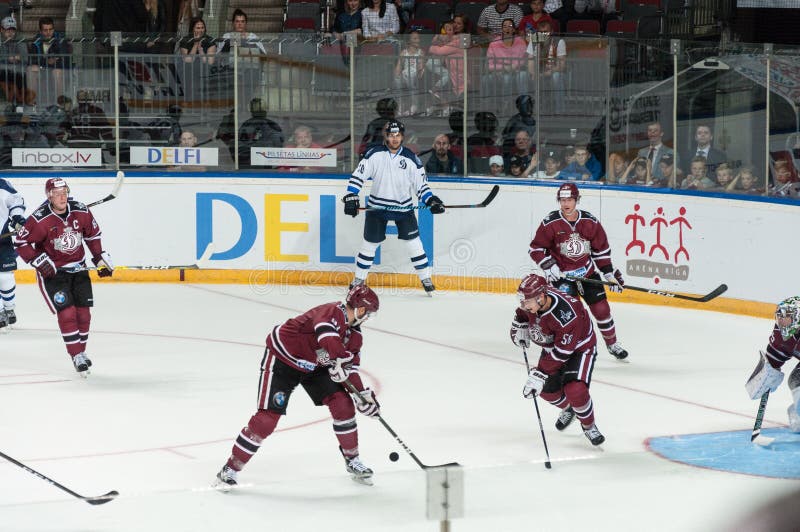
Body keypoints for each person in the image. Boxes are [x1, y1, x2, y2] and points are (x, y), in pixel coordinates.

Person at [214, 285, 382, 489]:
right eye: (369, 314)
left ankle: (353, 460)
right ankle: (230, 468)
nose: (367, 318)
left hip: (315, 365)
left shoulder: (355, 335)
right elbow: (326, 336)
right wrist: (338, 360)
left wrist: (362, 396)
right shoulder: (331, 312)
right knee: (267, 419)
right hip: (283, 359)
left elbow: (351, 368)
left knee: (343, 405)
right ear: (362, 310)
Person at [13, 178, 114, 375]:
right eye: (57, 193)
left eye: (64, 192)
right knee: (67, 313)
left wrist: (100, 258)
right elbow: (20, 242)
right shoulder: (40, 219)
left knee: (84, 314)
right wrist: (40, 261)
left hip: (79, 269)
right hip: (54, 274)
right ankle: (76, 355)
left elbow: (92, 235)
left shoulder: (81, 210)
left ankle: (81, 353)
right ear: (49, 196)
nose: (62, 196)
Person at [529, 182, 629, 360]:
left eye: (570, 199)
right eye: (562, 199)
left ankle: (612, 344)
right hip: (563, 278)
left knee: (602, 310)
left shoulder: (590, 221)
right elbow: (535, 249)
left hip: (588, 274)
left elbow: (601, 250)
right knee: (572, 316)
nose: (566, 203)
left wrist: (608, 274)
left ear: (577, 200)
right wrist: (549, 264)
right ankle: (570, 347)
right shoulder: (550, 223)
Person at [343, 120, 444, 294]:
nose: (395, 139)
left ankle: (425, 278)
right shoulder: (374, 154)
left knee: (414, 244)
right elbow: (357, 177)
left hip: (403, 210)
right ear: (386, 136)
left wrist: (431, 200)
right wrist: (351, 195)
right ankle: (358, 280)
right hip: (377, 208)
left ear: (402, 136)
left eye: (397, 135)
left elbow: (422, 187)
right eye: (391, 135)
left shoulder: (412, 159)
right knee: (369, 244)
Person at [510, 272, 605, 445]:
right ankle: (572, 409)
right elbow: (523, 314)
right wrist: (520, 323)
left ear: (540, 297)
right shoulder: (534, 304)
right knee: (545, 389)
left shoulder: (567, 314)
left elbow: (563, 352)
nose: (523, 304)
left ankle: (589, 426)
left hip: (579, 348)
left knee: (575, 390)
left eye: (526, 301)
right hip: (554, 347)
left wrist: (540, 372)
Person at [744, 296, 800, 436]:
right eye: (780, 318)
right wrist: (767, 376)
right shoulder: (781, 335)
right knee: (797, 382)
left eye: (787, 319)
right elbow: (773, 361)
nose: (782, 323)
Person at [485, 18, 528, 112]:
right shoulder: (494, 43)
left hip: (517, 71)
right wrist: (503, 68)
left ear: (514, 29)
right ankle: (503, 104)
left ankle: (523, 104)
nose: (507, 28)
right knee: (502, 78)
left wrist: (513, 67)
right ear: (501, 29)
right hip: (499, 72)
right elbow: (490, 64)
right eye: (504, 26)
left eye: (510, 26)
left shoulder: (520, 41)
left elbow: (524, 59)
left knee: (519, 76)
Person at [0, 177, 24, 329]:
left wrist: (17, 218)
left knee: (5, 276)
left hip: (2, 238)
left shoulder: (2, 184)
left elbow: (16, 201)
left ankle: (9, 308)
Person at [237, 97, 284, 167]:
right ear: (266, 110)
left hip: (249, 164)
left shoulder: (246, 125)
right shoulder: (272, 125)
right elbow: (279, 145)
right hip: (265, 164)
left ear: (250, 111)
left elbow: (240, 147)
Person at [393, 30, 425, 117]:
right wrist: (396, 75)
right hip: (406, 75)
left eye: (418, 38)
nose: (418, 40)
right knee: (399, 77)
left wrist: (419, 70)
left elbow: (421, 67)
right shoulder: (404, 52)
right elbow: (399, 66)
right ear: (409, 41)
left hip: (416, 74)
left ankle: (414, 104)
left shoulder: (420, 52)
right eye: (415, 38)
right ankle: (400, 104)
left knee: (409, 73)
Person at [0, 16, 28, 106]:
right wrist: (10, 58)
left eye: (13, 30)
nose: (11, 33)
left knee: (20, 76)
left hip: (18, 69)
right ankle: (8, 103)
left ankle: (19, 105)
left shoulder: (20, 38)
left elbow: (25, 57)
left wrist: (7, 58)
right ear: (1, 29)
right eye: (8, 30)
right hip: (2, 70)